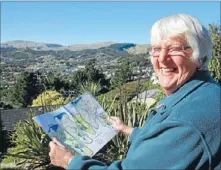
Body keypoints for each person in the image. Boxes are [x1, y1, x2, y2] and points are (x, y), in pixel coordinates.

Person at [49, 13, 221, 170]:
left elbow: (180, 132)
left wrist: (69, 161)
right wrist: (127, 130)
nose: (162, 59)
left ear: (199, 57)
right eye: (157, 49)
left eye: (175, 49)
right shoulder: (205, 94)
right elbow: (166, 144)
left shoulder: (185, 121)